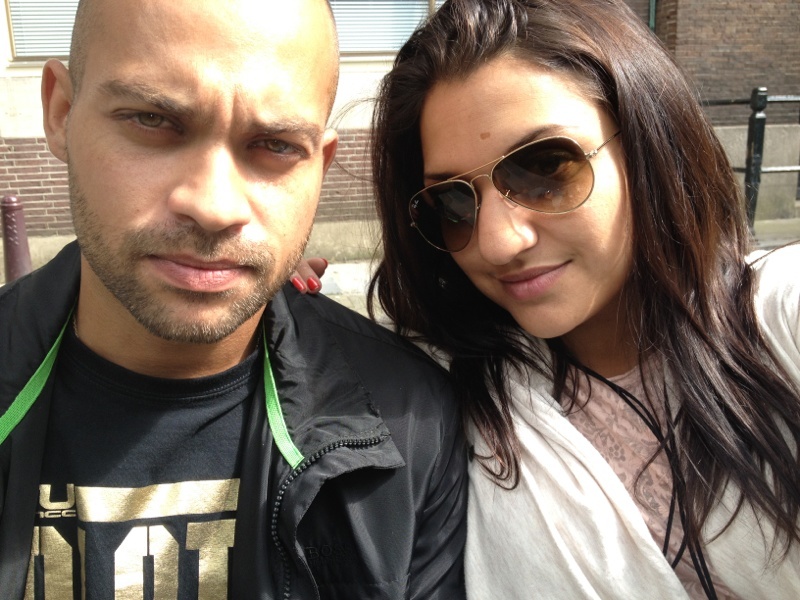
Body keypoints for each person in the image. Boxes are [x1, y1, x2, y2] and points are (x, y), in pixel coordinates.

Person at [301, 0, 800, 597]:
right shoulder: (443, 392)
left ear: (650, 141)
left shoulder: (780, 319)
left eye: (544, 168)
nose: (498, 243)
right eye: (453, 201)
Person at [0, 0, 468, 597]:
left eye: (276, 145)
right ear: (61, 112)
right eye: (152, 119)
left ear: (320, 167)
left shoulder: (410, 427)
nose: (214, 206)